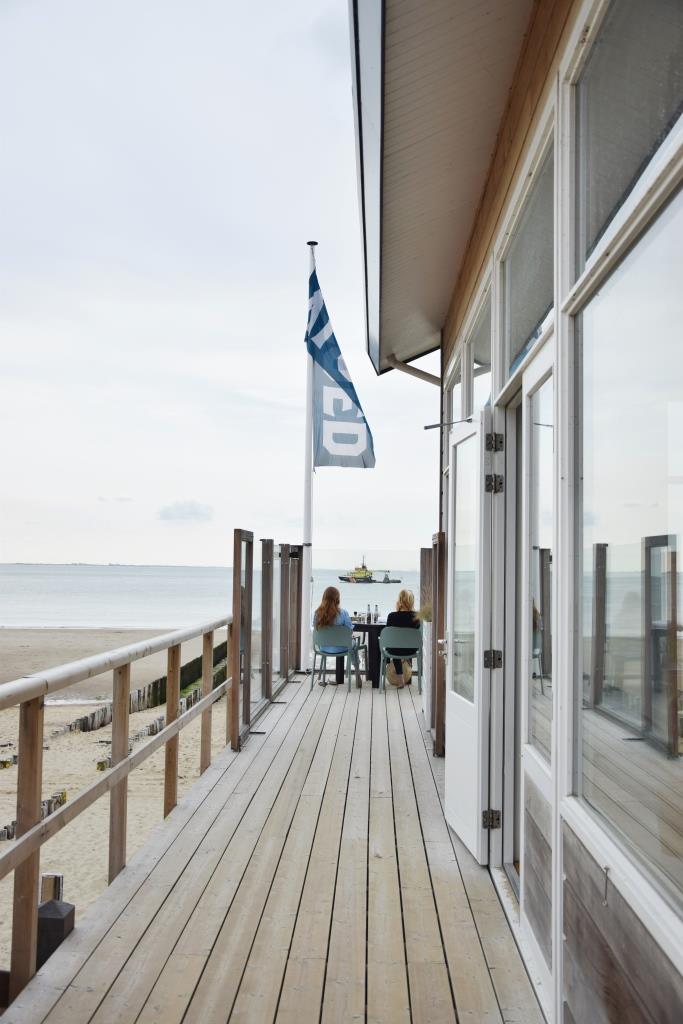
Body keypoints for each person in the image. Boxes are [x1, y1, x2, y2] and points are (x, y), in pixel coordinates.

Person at [313, 586, 355, 684]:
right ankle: (357, 671)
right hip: (342, 648)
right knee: (353, 644)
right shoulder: (343, 613)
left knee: (349, 642)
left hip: (323, 648)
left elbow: (317, 631)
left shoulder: (317, 614)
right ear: (337, 599)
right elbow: (349, 631)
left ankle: (322, 678)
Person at [385, 589, 420, 687]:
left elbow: (389, 635)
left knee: (395, 645)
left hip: (395, 650)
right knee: (402, 644)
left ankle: (400, 680)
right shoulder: (417, 616)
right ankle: (405, 661)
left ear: (399, 600)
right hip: (412, 650)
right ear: (412, 601)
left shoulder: (391, 616)